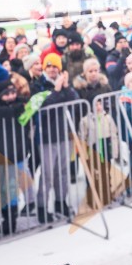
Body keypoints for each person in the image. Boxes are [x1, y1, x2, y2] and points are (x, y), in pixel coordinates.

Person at [33, 53, 78, 222]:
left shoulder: (62, 83)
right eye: (49, 66)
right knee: (47, 174)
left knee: (63, 171)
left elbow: (75, 102)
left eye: (55, 66)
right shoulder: (38, 85)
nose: (52, 69)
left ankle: (60, 201)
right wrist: (57, 91)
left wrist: (66, 87)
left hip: (63, 133)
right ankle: (42, 207)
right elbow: (42, 106)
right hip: (46, 136)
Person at [0, 80, 29, 236]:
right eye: (7, 94)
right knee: (2, 188)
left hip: (16, 153)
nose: (11, 96)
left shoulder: (21, 103)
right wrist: (12, 109)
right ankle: (6, 216)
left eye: (13, 93)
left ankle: (10, 221)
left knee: (12, 188)